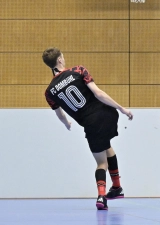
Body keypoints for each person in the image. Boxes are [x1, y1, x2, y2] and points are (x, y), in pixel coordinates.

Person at [42, 47, 133, 210]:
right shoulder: (78, 70)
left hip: (91, 123)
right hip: (107, 113)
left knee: (100, 163)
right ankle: (117, 187)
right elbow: (98, 94)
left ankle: (101, 196)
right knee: (107, 147)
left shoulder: (49, 92)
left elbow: (61, 115)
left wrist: (67, 123)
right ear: (60, 60)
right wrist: (121, 108)